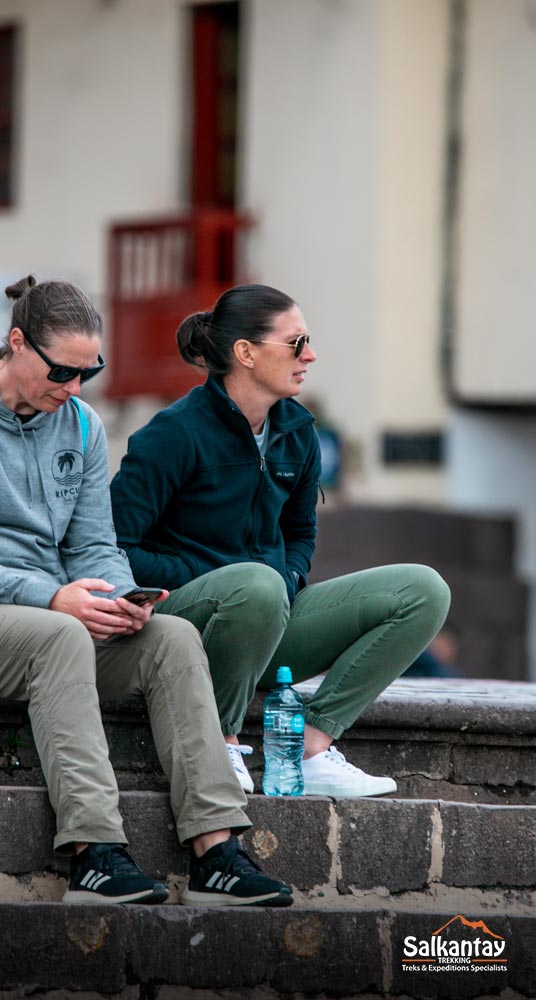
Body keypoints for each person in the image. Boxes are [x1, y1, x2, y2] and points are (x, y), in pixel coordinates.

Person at [0, 276, 292, 907]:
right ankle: (94, 855)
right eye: (62, 373)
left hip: (46, 612)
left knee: (173, 639)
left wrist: (122, 598)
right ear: (16, 344)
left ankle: (218, 855)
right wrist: (53, 599)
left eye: (87, 373)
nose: (74, 389)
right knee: (61, 636)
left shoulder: (81, 425)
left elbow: (96, 544)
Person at [110, 284, 451, 797]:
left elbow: (299, 532)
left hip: (271, 617)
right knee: (255, 586)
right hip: (189, 628)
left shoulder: (298, 431)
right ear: (245, 353)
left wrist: (288, 578)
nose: (309, 355)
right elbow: (114, 546)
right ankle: (219, 740)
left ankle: (311, 748)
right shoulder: (172, 435)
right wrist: (223, 581)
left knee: (424, 590)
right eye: (296, 343)